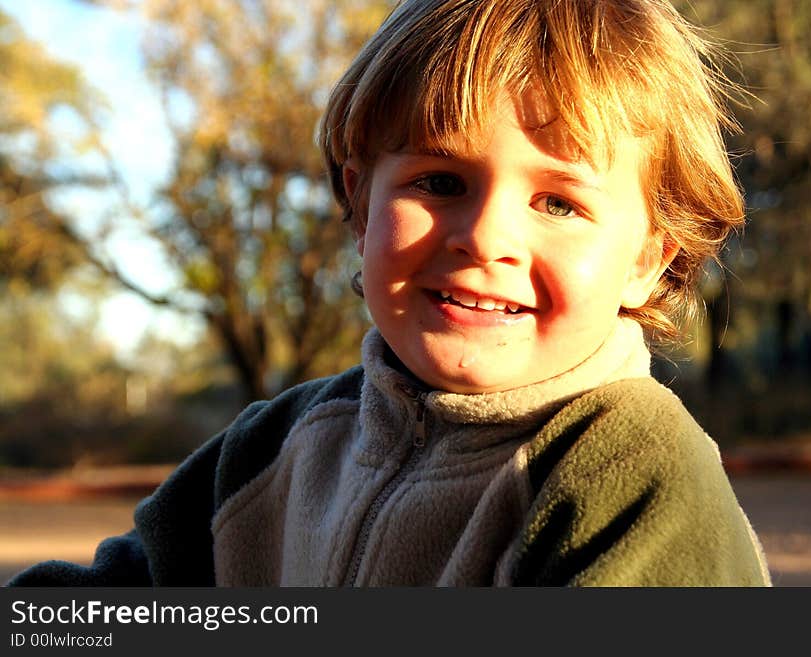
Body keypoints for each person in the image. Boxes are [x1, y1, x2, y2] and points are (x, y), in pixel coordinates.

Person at [9, 0, 771, 587]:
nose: (484, 237)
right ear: (362, 202)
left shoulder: (631, 466)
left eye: (559, 203)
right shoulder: (276, 447)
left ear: (646, 257)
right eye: (440, 182)